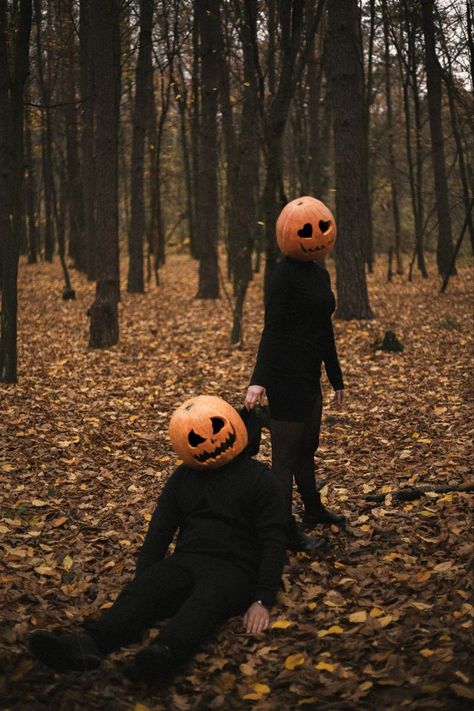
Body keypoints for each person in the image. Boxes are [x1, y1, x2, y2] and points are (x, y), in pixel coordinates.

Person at [29, 396, 287, 683]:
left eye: (215, 426)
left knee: (204, 603)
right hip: (187, 560)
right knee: (142, 593)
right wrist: (146, 580)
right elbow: (160, 530)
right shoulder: (184, 477)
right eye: (194, 437)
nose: (209, 440)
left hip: (236, 568)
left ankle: (164, 655)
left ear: (232, 424)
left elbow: (274, 539)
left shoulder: (261, 479)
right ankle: (88, 645)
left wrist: (262, 599)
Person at [245, 196, 346, 553]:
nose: (315, 235)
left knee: (308, 449)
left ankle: (314, 510)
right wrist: (259, 380)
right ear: (289, 234)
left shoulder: (320, 271)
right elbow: (271, 330)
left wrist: (336, 378)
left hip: (310, 376)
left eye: (321, 227)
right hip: (285, 378)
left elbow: (324, 328)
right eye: (306, 230)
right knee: (284, 459)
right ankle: (282, 530)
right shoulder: (282, 275)